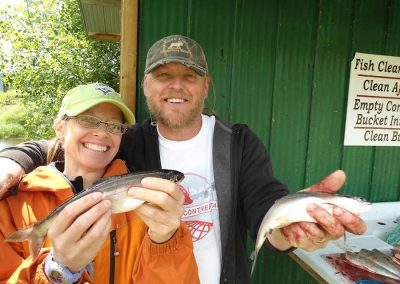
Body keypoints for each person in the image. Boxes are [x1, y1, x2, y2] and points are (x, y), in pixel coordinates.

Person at [0, 35, 366, 283]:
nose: (176, 86)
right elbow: (79, 145)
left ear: (205, 86)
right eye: (163, 76)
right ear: (146, 86)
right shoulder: (130, 142)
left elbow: (263, 203)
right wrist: (15, 157)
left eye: (188, 76)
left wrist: (289, 225)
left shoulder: (238, 141)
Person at [0, 83, 199, 283]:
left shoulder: (147, 207)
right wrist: (57, 270)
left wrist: (165, 241)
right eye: (88, 120)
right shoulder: (13, 206)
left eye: (113, 126)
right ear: (59, 128)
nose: (102, 133)